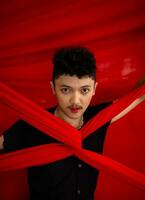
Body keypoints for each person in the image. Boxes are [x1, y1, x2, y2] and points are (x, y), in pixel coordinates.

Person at [0, 46, 144, 200]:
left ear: (94, 89)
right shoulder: (32, 124)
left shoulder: (99, 117)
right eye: (66, 90)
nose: (75, 101)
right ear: (53, 88)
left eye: (84, 90)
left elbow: (139, 94)